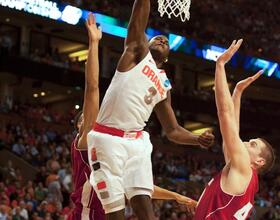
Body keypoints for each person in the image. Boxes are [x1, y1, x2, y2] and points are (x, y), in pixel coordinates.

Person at [87, 0, 214, 219]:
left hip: (137, 143)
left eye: (166, 42)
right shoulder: (136, 54)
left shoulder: (165, 85)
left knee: (146, 212)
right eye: (157, 38)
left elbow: (172, 130)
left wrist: (197, 139)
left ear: (166, 58)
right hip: (107, 140)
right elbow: (139, 18)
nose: (163, 39)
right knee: (115, 214)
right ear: (146, 43)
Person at [194, 39, 275, 219]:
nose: (246, 142)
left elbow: (225, 115)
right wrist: (237, 93)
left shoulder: (244, 168)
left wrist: (220, 65)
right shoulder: (243, 174)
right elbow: (232, 133)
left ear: (259, 161)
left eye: (253, 144)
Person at [67, 13, 104, 220]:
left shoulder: (103, 150)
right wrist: (94, 43)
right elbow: (92, 89)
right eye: (85, 118)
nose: (90, 119)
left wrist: (178, 197)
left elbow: (141, 187)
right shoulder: (84, 141)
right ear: (79, 126)